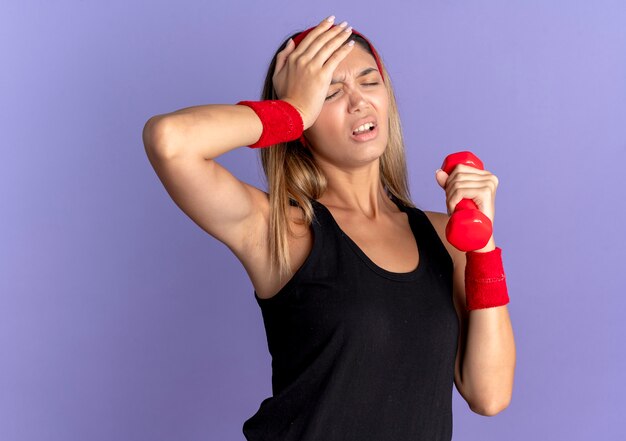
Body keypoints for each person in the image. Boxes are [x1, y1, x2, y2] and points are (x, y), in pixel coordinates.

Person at [142, 14, 516, 441]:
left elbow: (489, 395)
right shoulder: (280, 230)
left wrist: (483, 247)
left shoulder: (444, 237)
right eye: (331, 93)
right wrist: (292, 110)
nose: (358, 101)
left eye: (369, 81)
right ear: (301, 128)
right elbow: (169, 141)